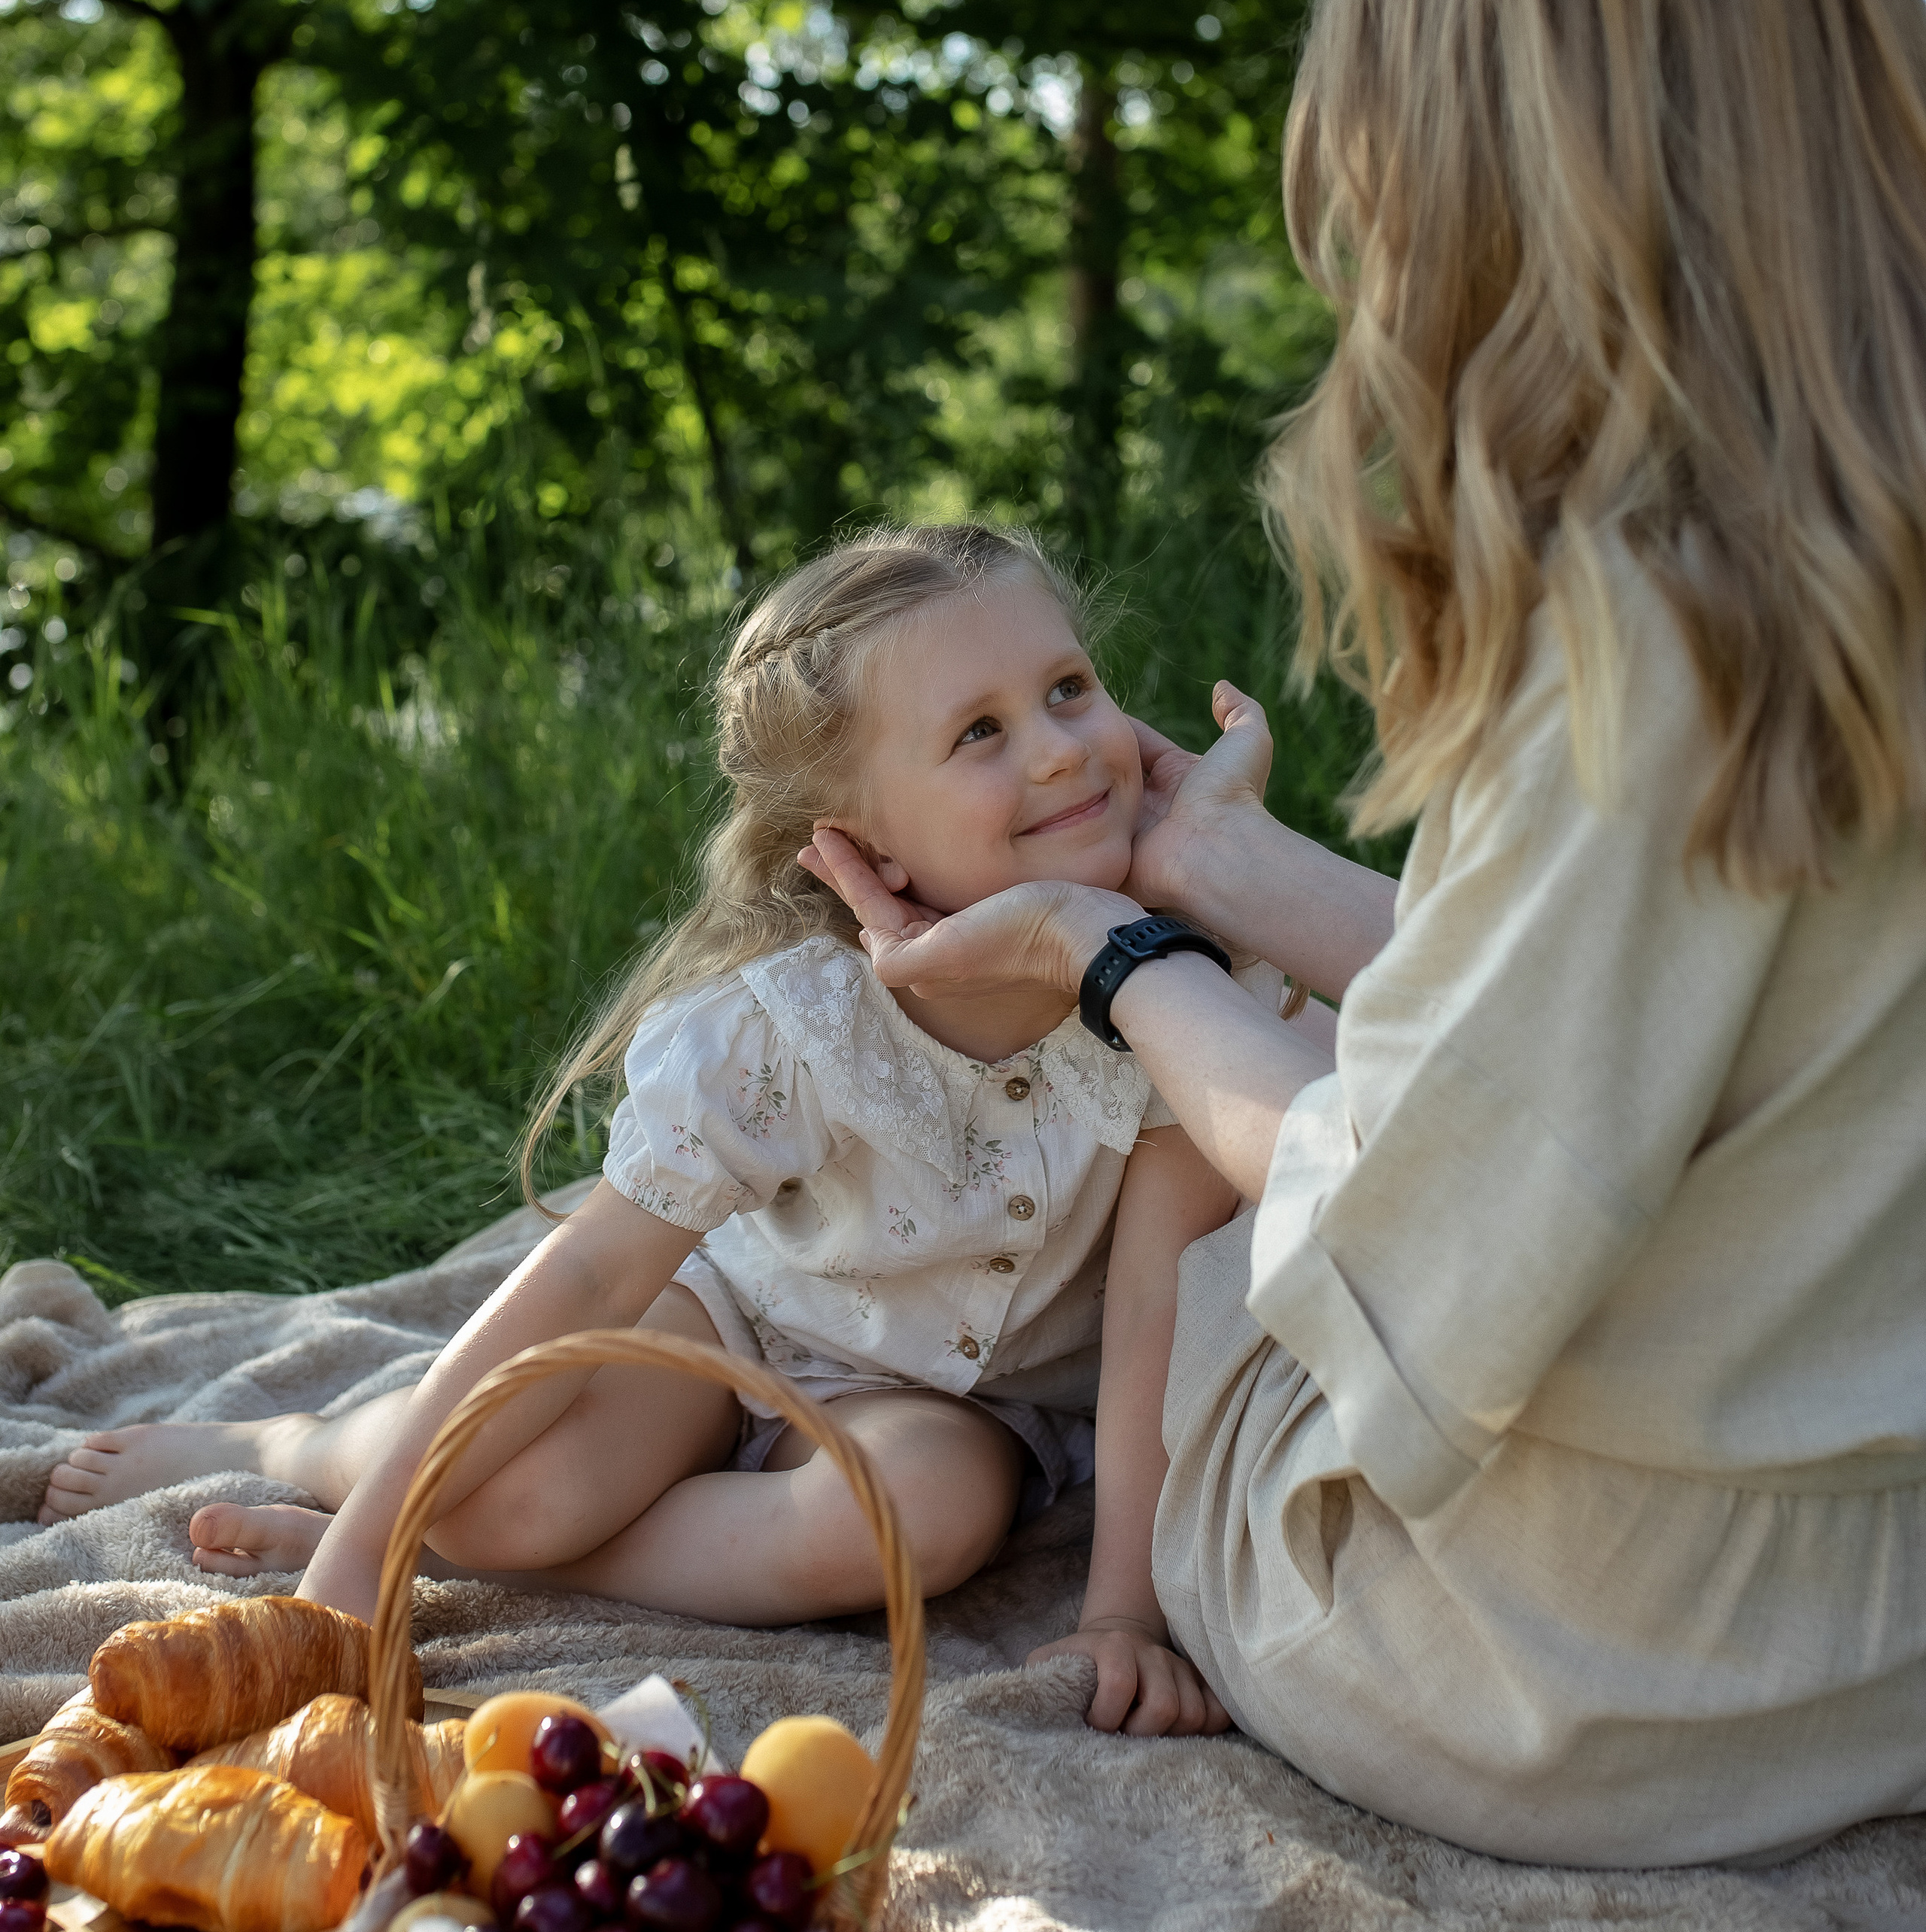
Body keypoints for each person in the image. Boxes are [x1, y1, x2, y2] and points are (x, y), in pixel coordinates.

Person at [802, 0, 1926, 1867]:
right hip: (1878, 1613)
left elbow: (1393, 1222)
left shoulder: (1655, 611)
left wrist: (1110, 949)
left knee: (1172, 1233)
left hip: (1578, 1669)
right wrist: (1231, 868)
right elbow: (1654, 1057)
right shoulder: (1843, 554)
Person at [40, 523, 1291, 1736]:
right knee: (521, 1497)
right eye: (980, 730)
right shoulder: (800, 1021)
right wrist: (360, 1564)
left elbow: (1156, 1308)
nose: (1065, 749)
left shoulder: (1180, 989)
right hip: (745, 1313)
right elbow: (592, 1268)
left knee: (921, 1523)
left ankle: (471, 1549)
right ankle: (311, 1455)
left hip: (963, 1402)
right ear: (863, 843)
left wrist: (1123, 1606)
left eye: (1069, 687)